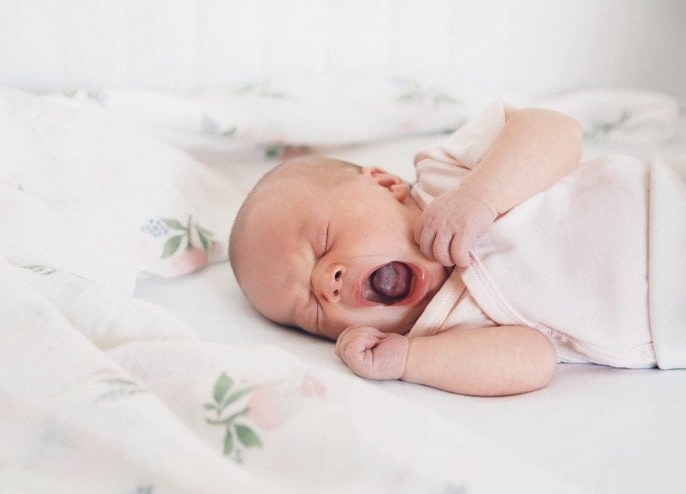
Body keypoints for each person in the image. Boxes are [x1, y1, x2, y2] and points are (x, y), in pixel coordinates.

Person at [229, 102, 686, 396]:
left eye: (324, 241)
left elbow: (557, 131)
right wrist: (409, 361)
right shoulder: (439, 334)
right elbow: (533, 360)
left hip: (666, 200)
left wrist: (481, 196)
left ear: (384, 183)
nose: (326, 285)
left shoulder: (447, 174)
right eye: (310, 311)